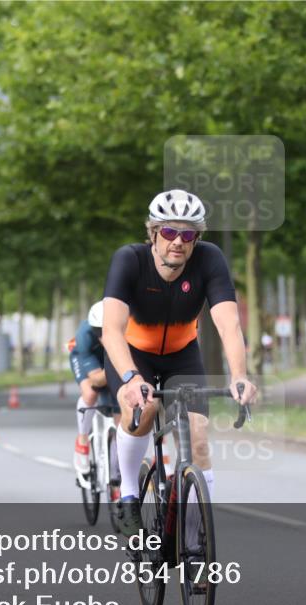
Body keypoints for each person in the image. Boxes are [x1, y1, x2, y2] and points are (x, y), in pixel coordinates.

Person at [102, 189, 258, 537]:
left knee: (198, 436)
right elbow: (111, 330)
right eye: (169, 232)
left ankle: (194, 539)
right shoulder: (129, 260)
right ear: (153, 232)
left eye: (188, 234)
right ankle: (127, 493)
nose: (178, 241)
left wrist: (239, 377)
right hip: (134, 352)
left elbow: (228, 325)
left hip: (182, 354)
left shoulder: (209, 260)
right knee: (141, 414)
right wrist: (130, 379)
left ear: (197, 239)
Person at [69, 300, 121, 491]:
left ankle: (117, 469)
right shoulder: (85, 336)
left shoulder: (126, 329)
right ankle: (82, 440)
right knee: (90, 394)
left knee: (121, 418)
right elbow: (98, 381)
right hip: (88, 361)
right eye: (98, 331)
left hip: (113, 361)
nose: (102, 335)